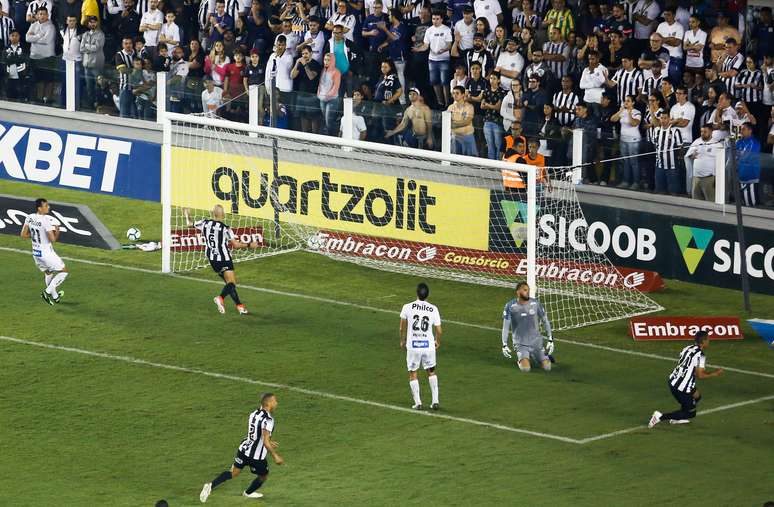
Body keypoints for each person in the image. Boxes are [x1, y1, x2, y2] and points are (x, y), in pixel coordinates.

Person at [199, 393, 284, 502]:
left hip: (244, 450)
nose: (276, 403)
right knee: (264, 476)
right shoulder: (268, 420)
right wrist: (276, 456)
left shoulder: (254, 413)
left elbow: (255, 433)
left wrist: (268, 440)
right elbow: (265, 442)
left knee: (233, 473)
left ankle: (210, 486)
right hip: (257, 457)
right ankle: (248, 493)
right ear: (269, 403)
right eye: (275, 401)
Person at [184, 205, 259, 314]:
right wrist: (249, 245)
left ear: (212, 214)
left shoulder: (205, 223)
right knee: (232, 283)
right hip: (223, 258)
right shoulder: (225, 228)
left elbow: (189, 224)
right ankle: (220, 298)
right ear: (223, 214)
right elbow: (236, 245)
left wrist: (187, 214)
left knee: (228, 284)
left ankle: (240, 306)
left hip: (212, 259)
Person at [649, 330, 723, 428]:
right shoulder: (700, 355)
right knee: (691, 413)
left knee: (697, 396)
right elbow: (700, 375)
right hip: (681, 388)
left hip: (674, 380)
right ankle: (660, 417)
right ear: (703, 341)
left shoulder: (687, 348)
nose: (709, 341)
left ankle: (678, 417)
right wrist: (715, 374)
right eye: (708, 339)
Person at [399, 282, 442, 410]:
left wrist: (402, 340)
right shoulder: (433, 308)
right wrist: (437, 341)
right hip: (428, 346)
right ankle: (435, 401)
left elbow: (402, 327)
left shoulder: (407, 307)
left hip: (413, 346)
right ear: (427, 295)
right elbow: (439, 331)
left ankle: (418, 403)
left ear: (417, 293)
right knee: (431, 371)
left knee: (413, 373)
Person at [20, 198, 69, 305]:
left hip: (36, 253)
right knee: (64, 271)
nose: (48, 207)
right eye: (46, 206)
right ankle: (46, 292)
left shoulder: (29, 217)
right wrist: (57, 230)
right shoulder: (45, 221)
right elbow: (53, 239)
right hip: (46, 253)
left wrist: (36, 236)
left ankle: (55, 297)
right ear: (40, 208)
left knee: (48, 272)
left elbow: (23, 235)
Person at [501, 281, 554, 373]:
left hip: (536, 342)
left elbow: (545, 320)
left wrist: (550, 339)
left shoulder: (535, 303)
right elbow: (505, 327)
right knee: (525, 369)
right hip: (521, 343)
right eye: (525, 290)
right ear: (518, 292)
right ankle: (522, 358)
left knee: (547, 368)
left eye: (528, 290)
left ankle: (539, 356)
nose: (527, 292)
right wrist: (504, 344)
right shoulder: (510, 306)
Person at [420, 12, 452, 108]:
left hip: (444, 59)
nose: (435, 21)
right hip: (432, 59)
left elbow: (449, 44)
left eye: (437, 19)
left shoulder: (446, 29)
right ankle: (440, 102)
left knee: (445, 82)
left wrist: (443, 50)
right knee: (434, 82)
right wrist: (419, 49)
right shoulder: (429, 30)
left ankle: (447, 103)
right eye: (433, 19)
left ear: (441, 19)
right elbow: (426, 45)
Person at [611, 94, 642, 188]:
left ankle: (636, 182)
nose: (626, 102)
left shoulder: (637, 112)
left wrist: (629, 113)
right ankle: (625, 181)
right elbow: (613, 119)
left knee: (634, 162)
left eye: (628, 101)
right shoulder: (622, 111)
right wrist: (621, 110)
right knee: (625, 161)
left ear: (633, 102)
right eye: (625, 100)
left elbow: (634, 123)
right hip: (623, 140)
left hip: (634, 140)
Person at [684, 124, 718, 201]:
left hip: (709, 178)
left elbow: (721, 163)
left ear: (711, 132)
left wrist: (717, 179)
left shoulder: (717, 144)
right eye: (701, 131)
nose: (702, 133)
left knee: (711, 203)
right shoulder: (697, 141)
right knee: (696, 202)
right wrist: (692, 156)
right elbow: (688, 156)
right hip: (696, 178)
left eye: (705, 132)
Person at [653, 111, 683, 194]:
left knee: (673, 192)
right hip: (659, 165)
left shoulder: (675, 131)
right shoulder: (656, 130)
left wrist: (677, 159)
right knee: (660, 191)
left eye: (665, 118)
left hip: (672, 166)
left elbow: (680, 147)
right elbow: (655, 145)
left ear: (670, 119)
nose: (663, 120)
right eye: (661, 118)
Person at [80, 16, 104, 110]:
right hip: (86, 65)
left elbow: (97, 48)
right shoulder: (85, 34)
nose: (92, 24)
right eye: (91, 22)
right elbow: (81, 48)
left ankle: (99, 105)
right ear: (88, 23)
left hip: (97, 64)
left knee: (98, 86)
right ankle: (90, 106)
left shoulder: (100, 34)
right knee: (89, 87)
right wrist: (90, 47)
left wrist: (87, 46)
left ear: (97, 23)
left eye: (94, 22)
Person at [481, 71, 506, 159]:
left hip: (497, 121)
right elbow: (482, 106)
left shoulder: (502, 91)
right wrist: (490, 106)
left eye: (494, 78)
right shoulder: (487, 90)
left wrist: (488, 105)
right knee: (489, 144)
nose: (492, 80)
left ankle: (498, 164)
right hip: (487, 120)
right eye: (491, 78)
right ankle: (491, 163)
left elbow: (498, 107)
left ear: (499, 80)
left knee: (498, 144)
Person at [736, 122, 762, 207]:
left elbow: (746, 157)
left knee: (751, 204)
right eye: (740, 129)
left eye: (743, 129)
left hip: (751, 177)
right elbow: (734, 155)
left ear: (750, 131)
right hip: (741, 176)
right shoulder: (739, 141)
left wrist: (739, 156)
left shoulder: (754, 143)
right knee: (744, 204)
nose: (741, 131)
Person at [448, 85, 477, 156]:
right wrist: (457, 124)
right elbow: (448, 123)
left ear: (463, 95)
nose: (455, 95)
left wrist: (454, 124)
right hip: (455, 137)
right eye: (453, 93)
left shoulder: (469, 107)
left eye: (457, 93)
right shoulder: (450, 108)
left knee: (471, 160)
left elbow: (467, 122)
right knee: (454, 159)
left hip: (467, 136)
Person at [317, 52, 341, 135]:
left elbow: (335, 87)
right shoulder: (323, 70)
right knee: (326, 120)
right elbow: (320, 83)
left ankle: (333, 138)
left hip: (332, 100)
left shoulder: (336, 72)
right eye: (325, 60)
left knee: (329, 121)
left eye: (328, 60)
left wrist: (327, 96)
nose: (326, 62)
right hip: (322, 98)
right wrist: (319, 93)